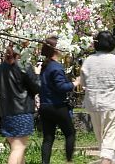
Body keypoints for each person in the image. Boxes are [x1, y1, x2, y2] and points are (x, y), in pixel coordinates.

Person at [81, 31, 115, 164]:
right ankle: (107, 160)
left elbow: (83, 83)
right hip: (112, 103)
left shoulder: (88, 61)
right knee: (110, 137)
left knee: (102, 136)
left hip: (93, 104)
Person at [0, 45, 41, 164]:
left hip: (5, 113)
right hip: (22, 112)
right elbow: (37, 87)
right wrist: (38, 74)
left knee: (17, 148)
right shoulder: (25, 66)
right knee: (18, 148)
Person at [38, 36, 78, 164]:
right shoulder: (56, 67)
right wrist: (74, 84)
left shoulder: (45, 66)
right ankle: (69, 160)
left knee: (48, 138)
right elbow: (61, 87)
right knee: (70, 133)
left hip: (45, 106)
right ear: (56, 50)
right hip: (58, 106)